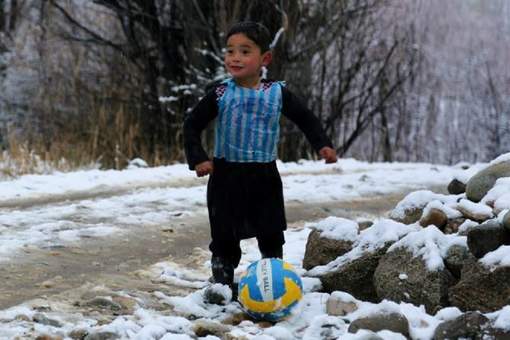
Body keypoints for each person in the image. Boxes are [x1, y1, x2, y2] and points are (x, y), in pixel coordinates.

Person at [183, 21, 337, 297]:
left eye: (244, 51)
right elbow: (192, 124)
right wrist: (198, 158)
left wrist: (322, 144)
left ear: (264, 58)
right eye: (230, 51)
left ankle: (273, 280)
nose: (235, 58)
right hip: (226, 176)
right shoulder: (220, 94)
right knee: (224, 234)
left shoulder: (277, 93)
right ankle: (221, 282)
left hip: (264, 175)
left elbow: (305, 118)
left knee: (270, 231)